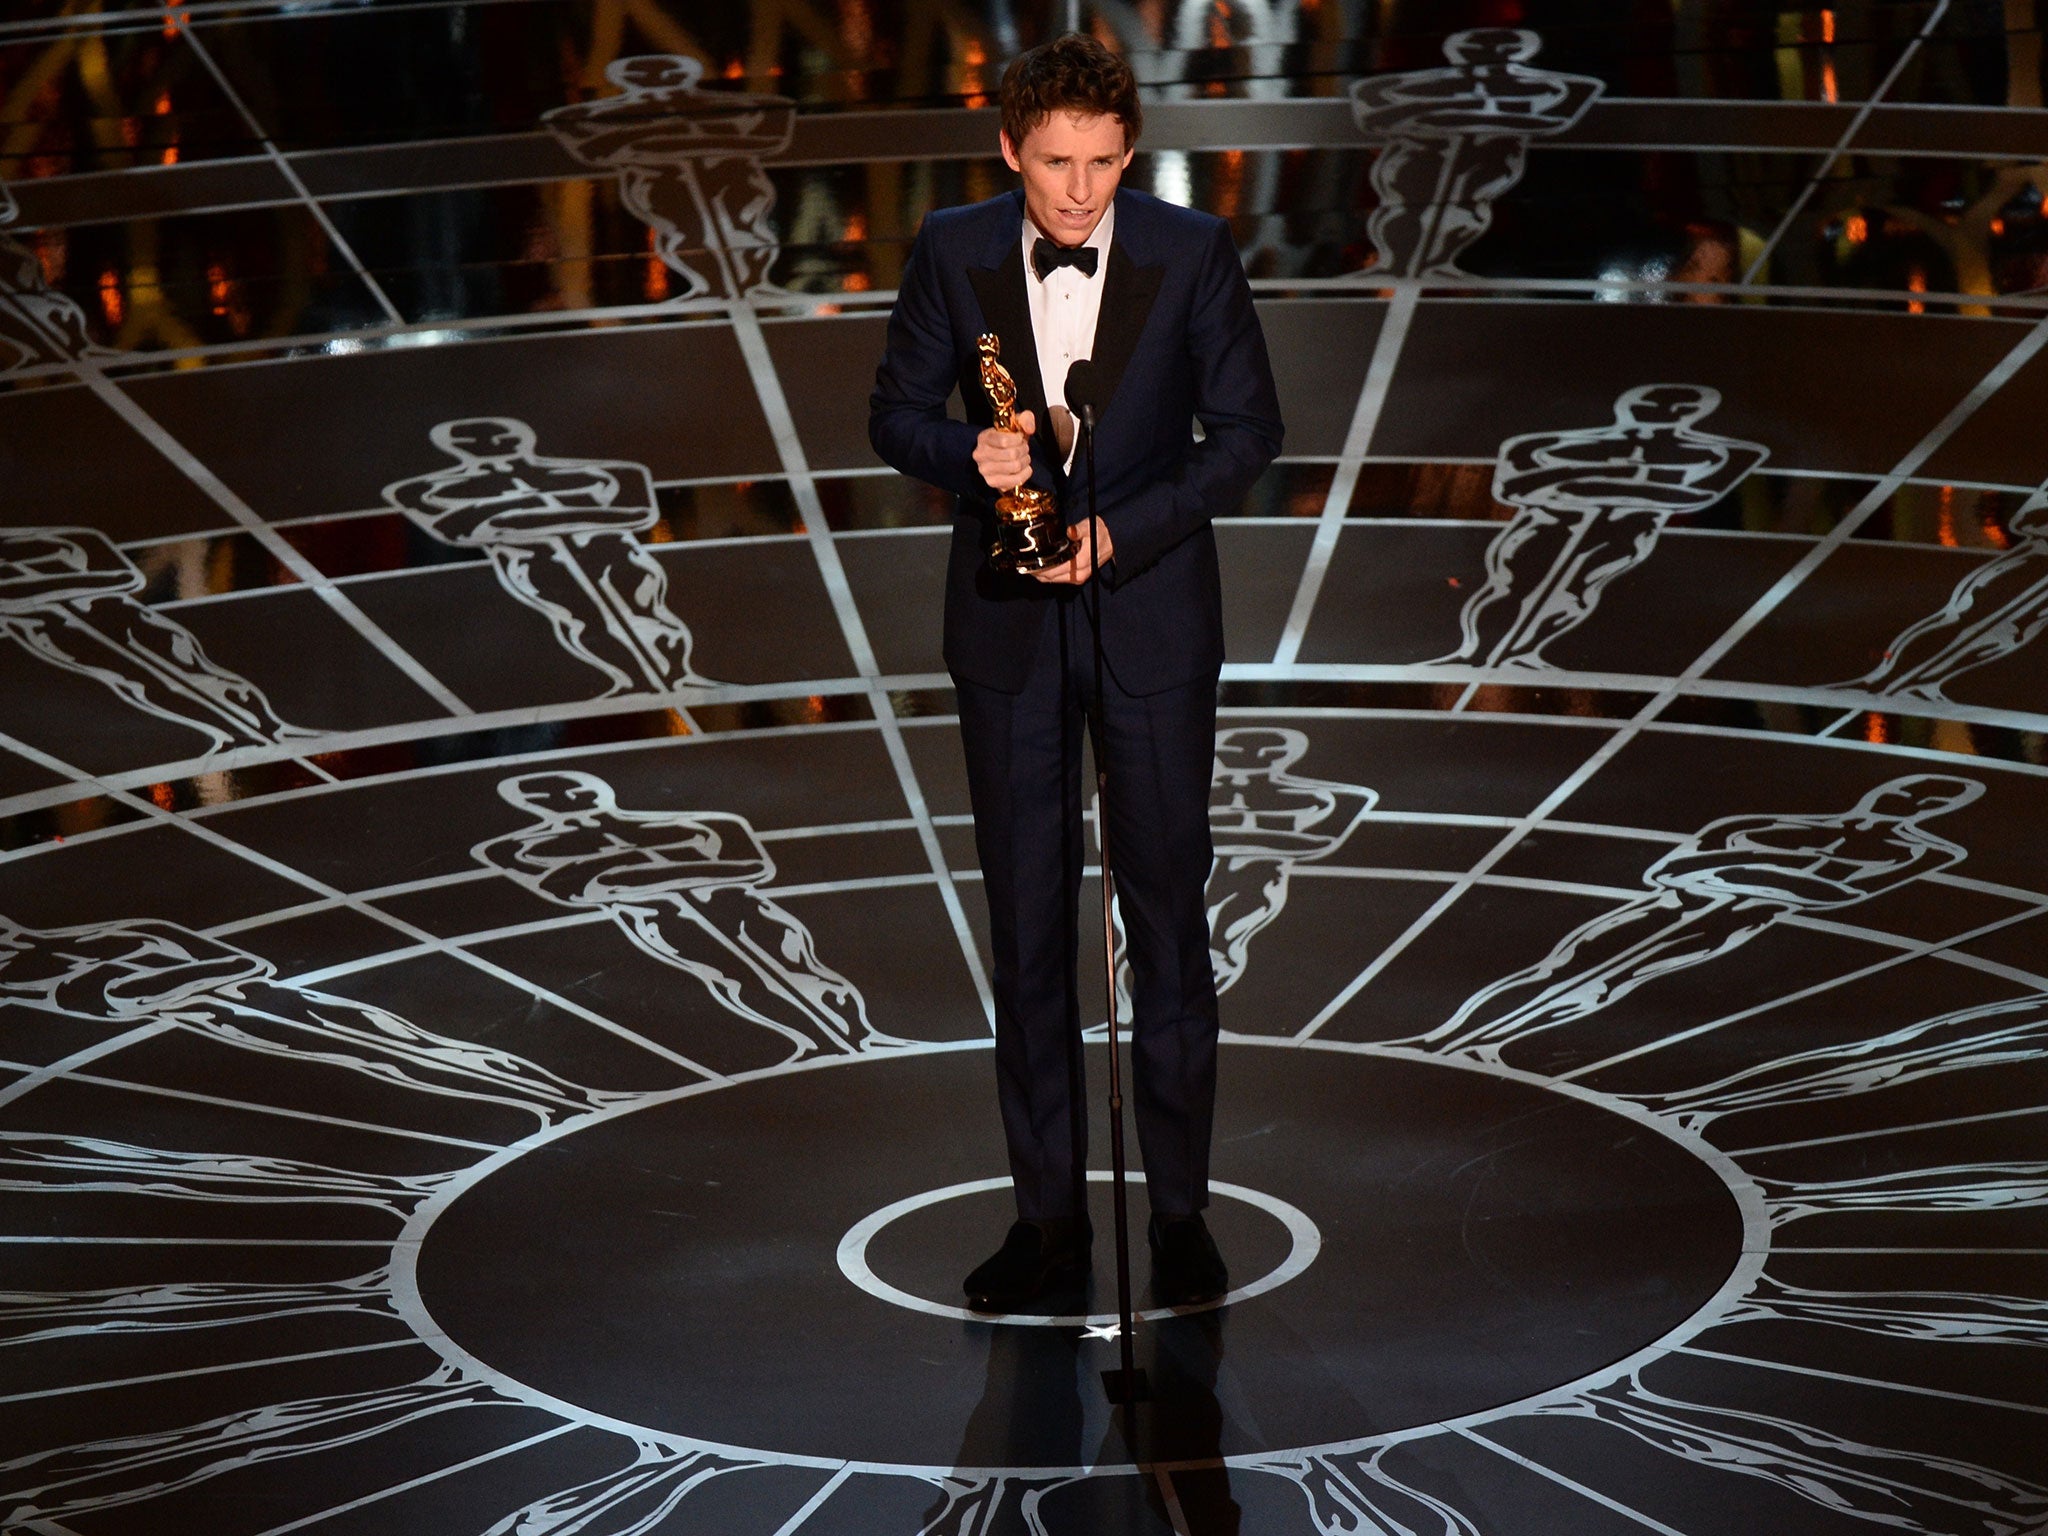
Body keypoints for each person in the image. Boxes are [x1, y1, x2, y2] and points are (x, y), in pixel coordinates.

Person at [869, 34, 1283, 1310]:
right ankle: (1044, 1222)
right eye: (1055, 163)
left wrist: (1124, 529)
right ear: (1008, 150)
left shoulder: (1191, 251)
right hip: (1005, 631)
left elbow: (1249, 434)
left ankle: (1176, 1217)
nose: (1079, 191)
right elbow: (893, 414)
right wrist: (963, 455)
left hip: (1150, 621)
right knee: (1030, 926)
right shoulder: (950, 247)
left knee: (1165, 916)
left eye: (1103, 163)